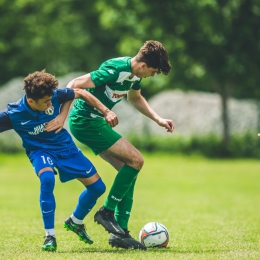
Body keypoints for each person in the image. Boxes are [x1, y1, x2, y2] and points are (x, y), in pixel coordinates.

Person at [66, 40, 174, 250]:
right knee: (136, 160)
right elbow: (74, 85)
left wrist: (158, 119)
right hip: (85, 120)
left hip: (94, 121)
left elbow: (135, 98)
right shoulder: (115, 70)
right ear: (143, 66)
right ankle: (106, 212)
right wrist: (105, 110)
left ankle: (120, 234)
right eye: (153, 72)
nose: (152, 76)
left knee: (129, 170)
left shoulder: (134, 76)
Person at [0, 70, 118, 251]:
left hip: (65, 148)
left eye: (51, 99)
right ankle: (50, 236)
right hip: (39, 151)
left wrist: (106, 111)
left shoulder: (54, 95)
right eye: (46, 102)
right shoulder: (14, 114)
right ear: (31, 101)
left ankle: (75, 221)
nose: (50, 103)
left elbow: (81, 92)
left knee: (98, 188)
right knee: (47, 179)